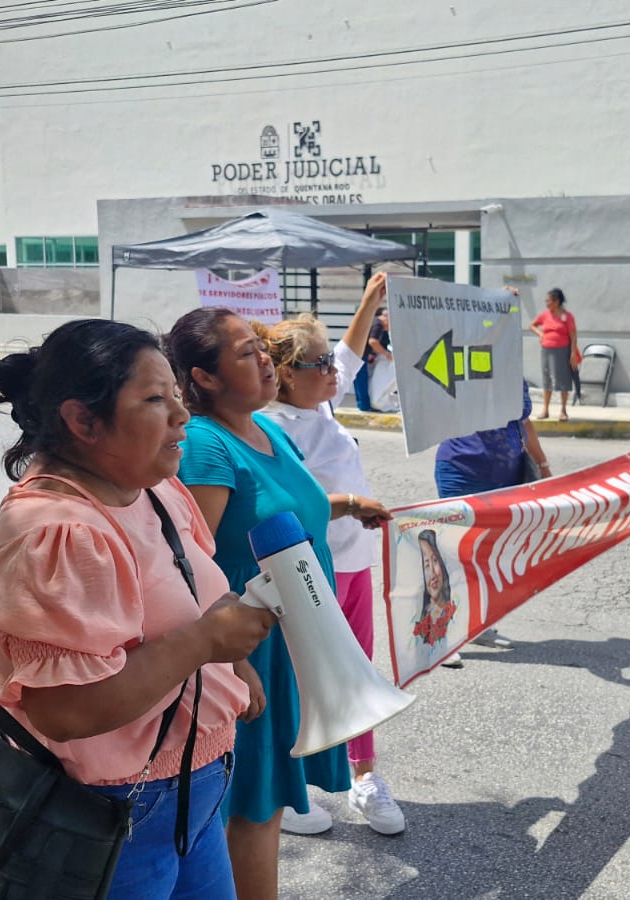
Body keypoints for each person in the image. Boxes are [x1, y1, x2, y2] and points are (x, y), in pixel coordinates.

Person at [0, 319, 274, 899]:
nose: (182, 416)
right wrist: (206, 646)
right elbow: (66, 711)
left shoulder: (153, 488)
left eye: (177, 397)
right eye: (155, 400)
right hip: (109, 811)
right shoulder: (55, 532)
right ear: (82, 420)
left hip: (194, 786)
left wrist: (229, 669)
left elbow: (190, 594)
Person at [166, 307, 390, 900]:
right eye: (246, 352)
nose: (266, 358)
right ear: (204, 378)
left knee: (260, 804)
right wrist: (230, 661)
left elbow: (279, 511)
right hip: (247, 653)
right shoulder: (206, 447)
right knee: (252, 807)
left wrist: (344, 504)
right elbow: (190, 567)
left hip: (289, 642)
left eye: (260, 347)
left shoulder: (269, 429)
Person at [258, 272, 405, 836]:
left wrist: (370, 299)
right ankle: (292, 794)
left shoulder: (320, 406)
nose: (334, 370)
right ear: (286, 375)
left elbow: (347, 351)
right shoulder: (275, 426)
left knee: (359, 672)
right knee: (301, 676)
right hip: (309, 571)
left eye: (329, 362)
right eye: (319, 364)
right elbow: (293, 499)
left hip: (353, 561)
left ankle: (365, 777)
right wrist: (349, 502)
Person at [432, 378, 551, 662]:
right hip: (460, 469)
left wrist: (544, 465)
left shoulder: (512, 372)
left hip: (505, 477)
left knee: (486, 555)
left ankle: (478, 626)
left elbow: (523, 423)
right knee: (453, 554)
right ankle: (443, 636)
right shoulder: (461, 366)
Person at [531, 288, 579, 421]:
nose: (546, 304)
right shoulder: (545, 315)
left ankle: (563, 410)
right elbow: (532, 325)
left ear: (557, 301)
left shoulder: (567, 317)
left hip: (562, 350)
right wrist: (541, 334)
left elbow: (573, 336)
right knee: (547, 379)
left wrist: (573, 353)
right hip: (547, 350)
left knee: (563, 379)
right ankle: (545, 409)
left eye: (548, 301)